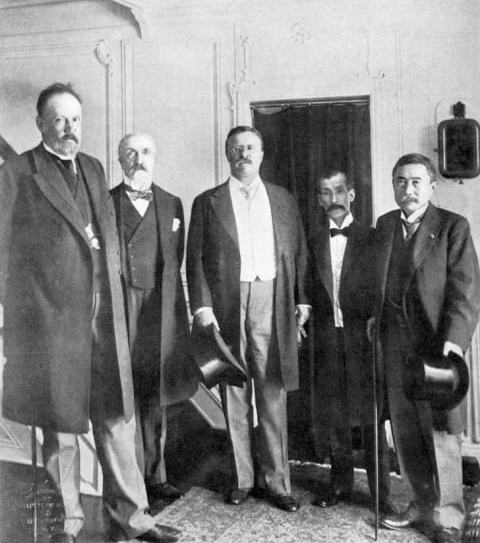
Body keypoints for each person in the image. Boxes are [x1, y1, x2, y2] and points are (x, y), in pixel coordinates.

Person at [0, 83, 181, 543]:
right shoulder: (18, 173)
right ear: (40, 124)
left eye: (75, 120)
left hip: (105, 320)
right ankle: (68, 526)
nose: (68, 129)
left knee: (117, 420)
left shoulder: (96, 168)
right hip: (52, 321)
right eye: (59, 120)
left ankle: (135, 521)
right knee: (62, 427)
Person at [186, 125, 310, 512]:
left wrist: (302, 300)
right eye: (237, 148)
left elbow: (300, 252)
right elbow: (195, 261)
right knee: (234, 388)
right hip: (226, 302)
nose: (244, 154)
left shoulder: (283, 199)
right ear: (227, 155)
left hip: (272, 299)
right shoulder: (207, 202)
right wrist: (202, 307)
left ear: (262, 154)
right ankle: (242, 479)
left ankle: (277, 482)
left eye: (251, 148)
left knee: (272, 389)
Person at [367, 153, 480, 543]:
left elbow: (465, 294)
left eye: (416, 181)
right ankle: (419, 502)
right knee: (405, 427)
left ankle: (448, 516)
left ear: (432, 186)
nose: (408, 189)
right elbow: (376, 283)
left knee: (443, 431)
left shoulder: (453, 227)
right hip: (395, 344)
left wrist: (453, 344)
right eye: (400, 181)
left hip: (437, 346)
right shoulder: (384, 225)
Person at [110, 133, 198, 503]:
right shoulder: (105, 201)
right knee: (121, 393)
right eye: (130, 152)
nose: (138, 158)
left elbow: (176, 260)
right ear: (120, 160)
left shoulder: (171, 203)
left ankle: (155, 476)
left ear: (154, 157)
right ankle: (125, 479)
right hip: (119, 303)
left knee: (154, 393)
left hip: (158, 307)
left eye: (146, 151)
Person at [309, 169, 392, 511]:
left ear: (353, 194)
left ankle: (380, 494)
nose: (334, 199)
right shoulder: (312, 239)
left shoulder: (374, 237)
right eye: (326, 193)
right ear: (318, 200)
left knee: (371, 416)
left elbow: (383, 287)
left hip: (363, 338)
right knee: (335, 415)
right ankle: (340, 485)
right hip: (327, 337)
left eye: (339, 190)